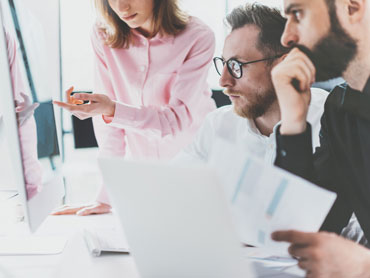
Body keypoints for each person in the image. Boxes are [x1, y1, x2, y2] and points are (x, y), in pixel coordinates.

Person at [53, 0, 216, 215]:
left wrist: (112, 110)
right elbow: (109, 129)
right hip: (145, 178)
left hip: (198, 174)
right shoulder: (103, 34)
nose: (122, 7)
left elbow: (174, 121)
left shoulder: (198, 37)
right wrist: (105, 197)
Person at [269, 0, 370, 276]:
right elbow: (305, 229)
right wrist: (293, 121)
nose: (286, 37)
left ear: (351, 8)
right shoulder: (341, 109)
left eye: (298, 13)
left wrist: (363, 266)